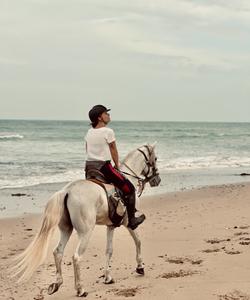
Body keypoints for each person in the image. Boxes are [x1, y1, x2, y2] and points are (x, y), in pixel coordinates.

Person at [84, 104, 145, 230]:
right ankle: (132, 220)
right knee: (130, 189)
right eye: (106, 113)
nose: (108, 115)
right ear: (100, 118)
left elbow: (87, 149)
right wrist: (117, 166)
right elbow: (113, 149)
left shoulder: (89, 132)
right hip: (103, 167)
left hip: (89, 168)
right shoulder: (108, 131)